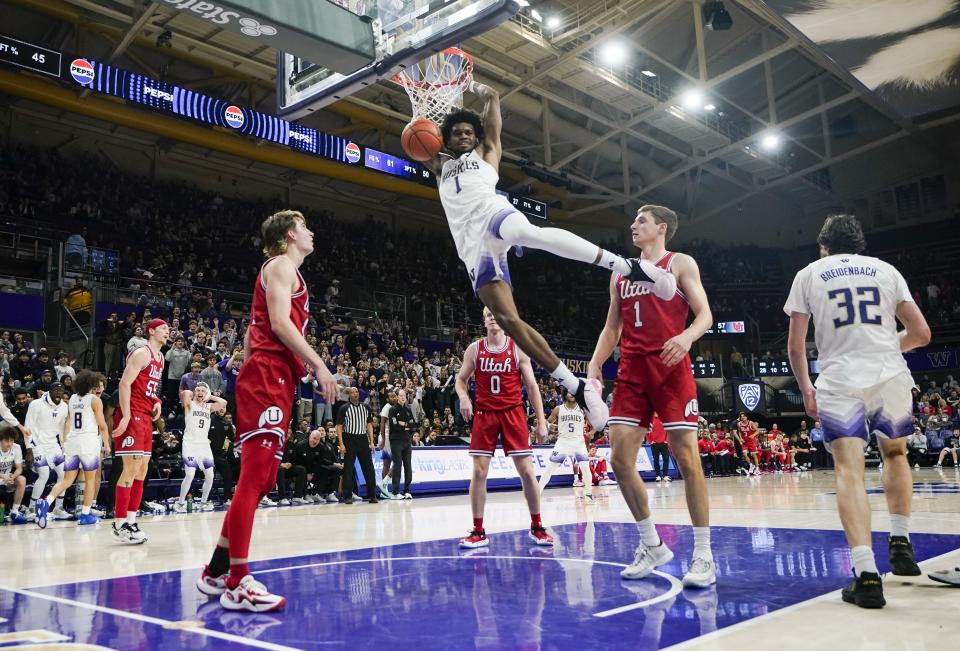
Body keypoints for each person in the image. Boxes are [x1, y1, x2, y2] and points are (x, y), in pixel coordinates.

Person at [423, 82, 682, 432]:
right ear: (447, 140)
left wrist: (483, 91)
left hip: (492, 212)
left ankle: (629, 266)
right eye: (457, 133)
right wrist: (425, 112)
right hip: (470, 245)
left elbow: (492, 110)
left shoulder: (487, 153)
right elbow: (418, 144)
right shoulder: (440, 166)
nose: (464, 136)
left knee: (525, 232)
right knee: (510, 322)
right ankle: (575, 385)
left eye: (469, 131)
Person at [785, 214, 931, 609]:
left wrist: (806, 390)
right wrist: (885, 347)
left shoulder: (810, 273)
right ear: (860, 243)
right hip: (890, 375)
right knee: (896, 454)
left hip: (840, 378)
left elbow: (797, 347)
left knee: (849, 469)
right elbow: (921, 334)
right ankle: (900, 545)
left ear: (823, 245)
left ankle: (866, 576)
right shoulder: (887, 271)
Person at [197, 210, 337, 612]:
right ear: (292, 234)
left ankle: (216, 571)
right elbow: (277, 322)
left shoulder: (287, 271)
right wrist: (319, 365)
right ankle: (238, 581)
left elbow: (251, 331)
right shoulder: (279, 265)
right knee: (255, 476)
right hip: (267, 375)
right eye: (306, 227)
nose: (312, 233)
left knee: (264, 477)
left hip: (275, 376)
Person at [587, 204, 715, 589]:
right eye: (633, 221)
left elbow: (705, 314)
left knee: (687, 459)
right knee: (620, 460)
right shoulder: (621, 271)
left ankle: (704, 554)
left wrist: (686, 336)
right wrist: (594, 364)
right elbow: (613, 326)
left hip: (671, 367)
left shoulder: (680, 263)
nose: (633, 226)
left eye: (641, 221)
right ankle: (651, 544)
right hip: (632, 371)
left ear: (661, 228)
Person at [455, 307, 553, 548]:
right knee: (478, 472)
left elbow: (532, 387)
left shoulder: (517, 347)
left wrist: (541, 421)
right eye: (488, 315)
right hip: (485, 414)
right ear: (484, 321)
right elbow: (460, 380)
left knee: (528, 472)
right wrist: (464, 397)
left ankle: (537, 526)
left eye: (496, 315)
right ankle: (478, 531)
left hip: (513, 413)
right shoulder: (474, 349)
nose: (492, 319)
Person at [112, 318, 169, 544]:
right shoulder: (141, 353)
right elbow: (124, 384)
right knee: (132, 466)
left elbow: (150, 387)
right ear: (151, 331)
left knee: (143, 469)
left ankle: (131, 520)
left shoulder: (161, 358)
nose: (168, 332)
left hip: (145, 414)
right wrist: (125, 416)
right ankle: (119, 523)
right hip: (132, 412)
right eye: (164, 328)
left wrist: (157, 401)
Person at [34, 371, 110, 527]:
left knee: (68, 479)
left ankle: (46, 502)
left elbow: (68, 421)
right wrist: (107, 443)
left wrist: (64, 441)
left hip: (72, 442)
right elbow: (102, 425)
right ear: (90, 384)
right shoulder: (95, 400)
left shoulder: (73, 399)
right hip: (88, 442)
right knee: (90, 480)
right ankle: (85, 515)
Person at [174, 382, 227, 512]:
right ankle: (180, 503)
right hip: (190, 444)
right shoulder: (189, 405)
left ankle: (203, 502)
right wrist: (194, 391)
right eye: (198, 390)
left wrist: (210, 396)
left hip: (203, 445)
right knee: (190, 474)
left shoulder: (208, 407)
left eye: (203, 391)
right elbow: (185, 393)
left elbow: (223, 403)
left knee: (209, 474)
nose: (200, 392)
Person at [24, 383, 69, 522]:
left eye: (61, 391)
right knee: (44, 474)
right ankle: (31, 508)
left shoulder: (64, 407)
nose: (58, 393)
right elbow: (28, 426)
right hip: (37, 445)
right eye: (56, 390)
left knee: (64, 474)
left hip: (53, 446)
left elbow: (62, 430)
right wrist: (29, 450)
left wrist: (64, 448)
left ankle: (58, 508)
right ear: (49, 391)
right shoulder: (36, 404)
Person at [538, 388, 593, 500]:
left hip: (579, 442)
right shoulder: (558, 409)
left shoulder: (583, 409)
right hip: (563, 442)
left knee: (585, 467)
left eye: (573, 391)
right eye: (568, 391)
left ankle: (589, 495)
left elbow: (594, 424)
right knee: (550, 468)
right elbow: (548, 423)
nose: (571, 394)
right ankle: (536, 493)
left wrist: (592, 432)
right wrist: (548, 427)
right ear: (564, 394)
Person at [336, 387, 378, 504]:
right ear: (349, 395)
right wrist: (341, 444)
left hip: (363, 439)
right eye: (352, 392)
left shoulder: (365, 407)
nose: (355, 394)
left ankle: (372, 495)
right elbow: (339, 426)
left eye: (356, 392)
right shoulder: (344, 408)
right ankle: (347, 495)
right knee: (348, 468)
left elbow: (369, 424)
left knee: (369, 468)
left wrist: (371, 441)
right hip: (349, 438)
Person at [388, 388, 416, 499]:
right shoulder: (392, 410)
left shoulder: (408, 409)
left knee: (408, 466)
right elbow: (395, 426)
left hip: (407, 441)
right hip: (396, 441)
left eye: (404, 395)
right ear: (397, 397)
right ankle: (395, 492)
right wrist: (406, 425)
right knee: (397, 465)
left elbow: (414, 424)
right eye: (401, 395)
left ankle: (407, 491)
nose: (403, 397)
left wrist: (403, 424)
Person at [0, 426, 28, 523]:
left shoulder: (16, 448)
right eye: (6, 441)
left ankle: (15, 511)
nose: (9, 444)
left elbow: (19, 468)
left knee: (22, 480)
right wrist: (3, 476)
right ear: (1, 440)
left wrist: (13, 476)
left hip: (8, 478)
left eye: (11, 441)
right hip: (2, 477)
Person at [378, 390, 397, 498]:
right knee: (398, 462)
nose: (394, 398)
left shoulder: (390, 407)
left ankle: (383, 491)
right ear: (387, 399)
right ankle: (384, 484)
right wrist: (384, 440)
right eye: (392, 397)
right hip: (387, 437)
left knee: (386, 463)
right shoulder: (387, 407)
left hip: (385, 437)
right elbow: (382, 423)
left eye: (395, 396)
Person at [648, 414, 670, 482]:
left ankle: (665, 475)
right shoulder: (650, 419)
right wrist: (650, 441)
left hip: (664, 443)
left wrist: (666, 440)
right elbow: (647, 431)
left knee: (666, 459)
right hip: (654, 444)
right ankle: (658, 476)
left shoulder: (664, 417)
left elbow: (668, 429)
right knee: (656, 460)